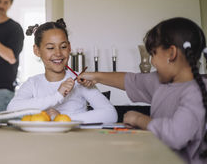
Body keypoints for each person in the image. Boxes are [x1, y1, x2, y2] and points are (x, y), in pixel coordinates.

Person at [78, 17, 207, 164]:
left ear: (171, 53)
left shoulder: (196, 92)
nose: (152, 61)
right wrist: (95, 76)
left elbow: (175, 135)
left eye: (153, 54)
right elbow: (131, 81)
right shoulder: (161, 82)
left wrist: (140, 120)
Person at [7, 19, 117, 123]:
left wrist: (62, 119)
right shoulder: (32, 83)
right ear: (37, 50)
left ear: (69, 48)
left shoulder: (81, 81)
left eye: (63, 47)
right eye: (50, 48)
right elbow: (11, 110)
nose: (58, 53)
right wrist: (57, 96)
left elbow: (110, 114)